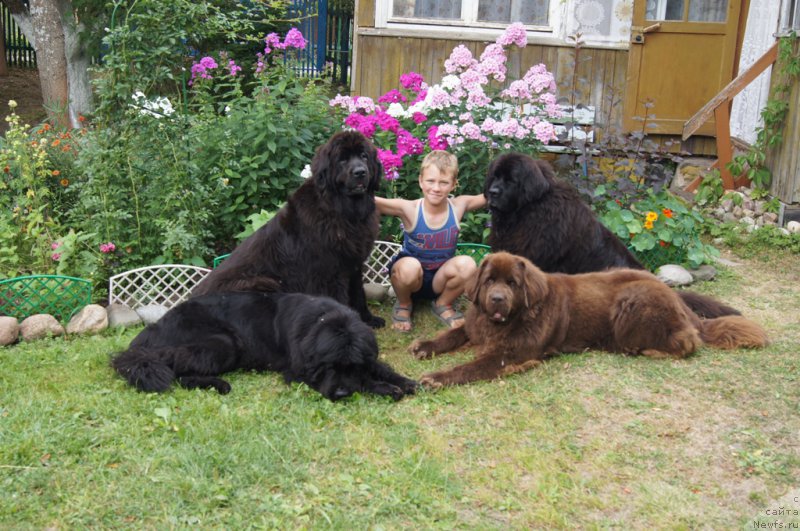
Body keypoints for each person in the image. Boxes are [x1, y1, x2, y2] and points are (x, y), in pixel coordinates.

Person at [376, 150, 486, 333]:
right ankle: (404, 304)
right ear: (420, 181)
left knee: (468, 264)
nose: (436, 188)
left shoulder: (459, 205)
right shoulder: (409, 209)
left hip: (440, 280)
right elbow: (373, 202)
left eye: (444, 183)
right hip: (413, 279)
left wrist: (513, 177)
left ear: (453, 184)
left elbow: (490, 195)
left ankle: (443, 304)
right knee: (408, 266)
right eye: (430, 181)